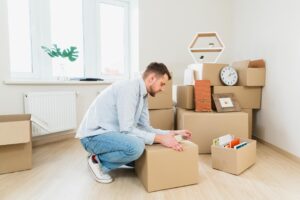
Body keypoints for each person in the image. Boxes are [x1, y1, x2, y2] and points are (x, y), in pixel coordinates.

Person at [76, 62, 192, 184]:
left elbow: (145, 128)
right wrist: (161, 139)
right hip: (93, 137)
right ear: (152, 78)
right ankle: (97, 161)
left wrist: (171, 133)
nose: (163, 89)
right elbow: (127, 129)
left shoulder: (143, 95)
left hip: (110, 134)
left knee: (143, 154)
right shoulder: (129, 88)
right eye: (162, 84)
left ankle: (104, 158)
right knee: (137, 146)